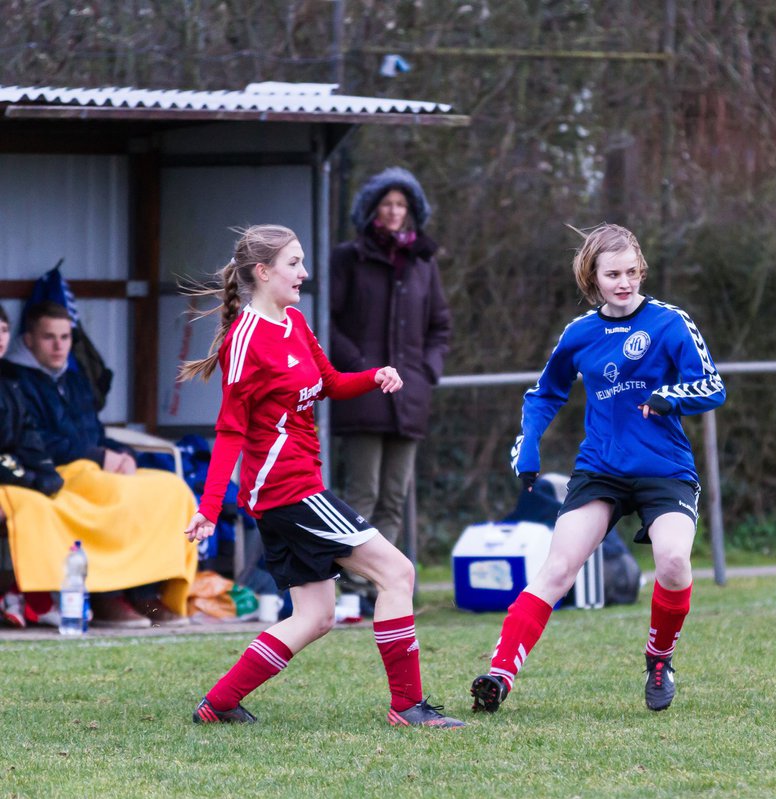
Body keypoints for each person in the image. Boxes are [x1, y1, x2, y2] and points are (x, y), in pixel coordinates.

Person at [179, 224, 463, 728]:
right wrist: (207, 508)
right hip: (287, 492)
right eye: (294, 263)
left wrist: (374, 376)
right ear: (263, 272)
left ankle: (218, 704)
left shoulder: (292, 321)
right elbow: (229, 432)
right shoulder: (244, 341)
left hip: (298, 487)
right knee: (398, 573)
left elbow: (328, 382)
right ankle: (407, 706)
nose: (304, 273)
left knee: (315, 617)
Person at [469, 223, 726, 715]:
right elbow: (545, 394)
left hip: (664, 468)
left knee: (673, 562)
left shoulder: (670, 323)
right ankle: (499, 675)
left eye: (632, 271)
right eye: (613, 274)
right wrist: (528, 447)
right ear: (593, 277)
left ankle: (659, 659)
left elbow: (712, 385)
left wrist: (669, 397)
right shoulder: (580, 334)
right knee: (558, 568)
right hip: (601, 469)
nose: (624, 282)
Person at [7, 301, 186, 627]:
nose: (59, 345)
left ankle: (144, 592)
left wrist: (122, 454)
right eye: (49, 337)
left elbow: (95, 432)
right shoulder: (15, 378)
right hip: (55, 469)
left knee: (169, 488)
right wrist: (100, 457)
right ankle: (106, 595)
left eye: (65, 337)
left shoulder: (73, 379)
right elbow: (35, 441)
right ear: (29, 340)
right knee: (116, 493)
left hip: (91, 466)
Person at [329, 167, 452, 573]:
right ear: (371, 210)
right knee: (362, 494)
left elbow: (440, 325)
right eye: (387, 204)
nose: (395, 211)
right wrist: (360, 369)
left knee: (394, 498)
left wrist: (425, 372)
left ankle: (380, 583)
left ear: (411, 210)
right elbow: (324, 322)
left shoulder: (423, 261)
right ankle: (350, 581)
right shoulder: (349, 258)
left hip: (409, 397)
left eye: (401, 204)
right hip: (362, 394)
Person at [0, 304, 63, 628]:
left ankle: (26, 595)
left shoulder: (8, 381)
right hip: (7, 479)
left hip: (8, 477)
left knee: (48, 498)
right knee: (31, 504)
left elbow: (27, 434)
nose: (0, 338)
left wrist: (45, 471)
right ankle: (31, 598)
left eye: (3, 330)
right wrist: (28, 479)